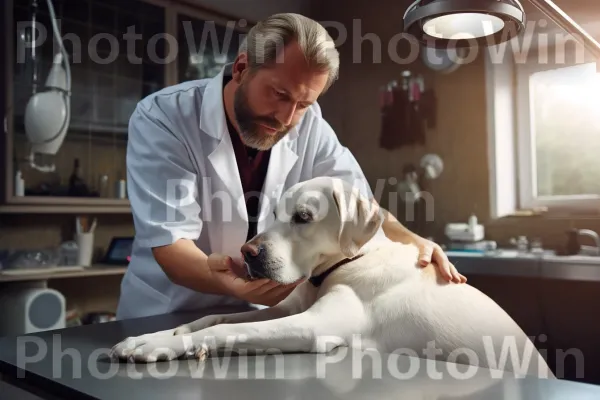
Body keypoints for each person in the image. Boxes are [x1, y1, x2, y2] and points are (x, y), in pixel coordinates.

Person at [115, 13, 466, 320]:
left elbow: (357, 204)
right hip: (167, 314)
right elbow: (171, 244)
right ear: (241, 68)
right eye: (279, 95)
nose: (286, 118)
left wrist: (413, 240)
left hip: (257, 319)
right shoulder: (164, 117)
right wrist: (234, 285)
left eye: (302, 103)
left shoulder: (309, 123)